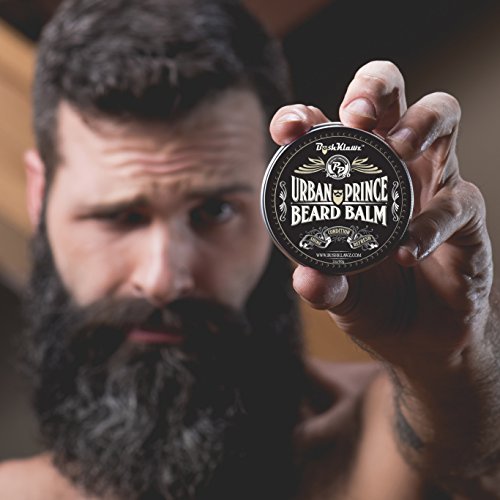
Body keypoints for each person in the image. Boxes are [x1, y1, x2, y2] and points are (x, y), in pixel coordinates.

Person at [1, 0, 499, 498]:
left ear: (275, 199)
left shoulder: (399, 439)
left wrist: (449, 365)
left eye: (215, 212)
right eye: (119, 217)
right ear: (40, 197)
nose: (163, 279)